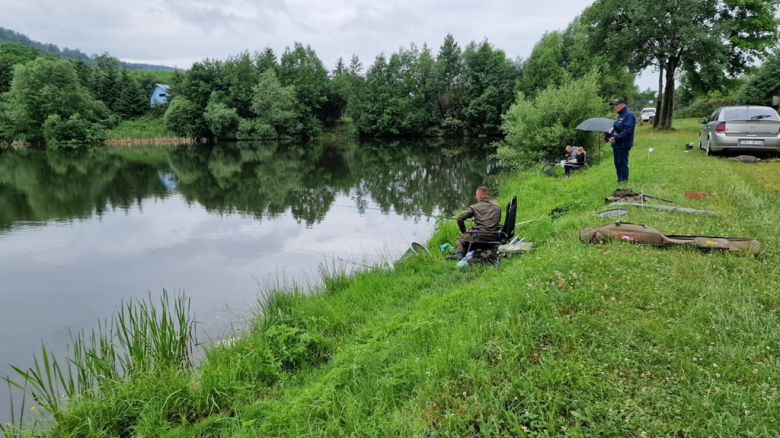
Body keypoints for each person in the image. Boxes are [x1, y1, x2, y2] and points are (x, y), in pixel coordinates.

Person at [446, 186, 502, 260]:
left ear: (479, 196)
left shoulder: (475, 207)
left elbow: (460, 218)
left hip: (480, 236)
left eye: (476, 195)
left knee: (460, 239)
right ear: (487, 195)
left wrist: (464, 231)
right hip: (494, 236)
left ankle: (459, 253)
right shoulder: (498, 207)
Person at [608, 97, 636, 184]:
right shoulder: (620, 115)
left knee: (622, 163)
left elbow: (627, 130)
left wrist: (616, 138)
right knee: (617, 163)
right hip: (616, 144)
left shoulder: (629, 115)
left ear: (622, 105)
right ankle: (619, 179)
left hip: (623, 144)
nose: (614, 107)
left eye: (615, 105)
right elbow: (615, 128)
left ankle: (623, 181)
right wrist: (610, 135)